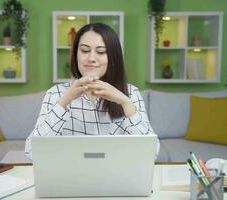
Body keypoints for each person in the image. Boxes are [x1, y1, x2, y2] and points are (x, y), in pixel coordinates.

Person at [25, 23, 159, 159]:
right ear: (76, 54)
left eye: (101, 52)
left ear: (113, 57)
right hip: (70, 177)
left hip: (116, 177)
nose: (91, 58)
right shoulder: (55, 94)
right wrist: (64, 102)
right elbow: (31, 152)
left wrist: (125, 102)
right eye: (84, 50)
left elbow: (152, 153)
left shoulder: (131, 93)